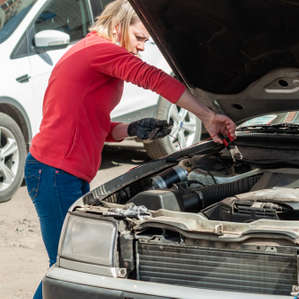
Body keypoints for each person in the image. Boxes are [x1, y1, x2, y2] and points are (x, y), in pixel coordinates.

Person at [23, 1, 236, 298]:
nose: (139, 48)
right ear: (117, 27)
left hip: (61, 172)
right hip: (55, 173)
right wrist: (207, 116)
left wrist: (132, 129)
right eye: (139, 39)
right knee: (66, 266)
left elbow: (91, 123)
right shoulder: (99, 50)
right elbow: (154, 78)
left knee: (73, 265)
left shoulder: (87, 51)